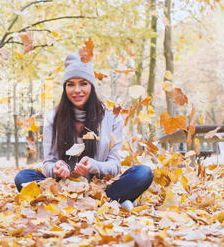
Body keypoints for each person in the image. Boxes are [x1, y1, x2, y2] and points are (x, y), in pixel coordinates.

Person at [14, 52, 154, 211]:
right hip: (64, 189)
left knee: (143, 173)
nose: (77, 90)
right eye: (70, 84)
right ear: (65, 88)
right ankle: (114, 202)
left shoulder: (111, 117)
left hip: (101, 188)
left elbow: (114, 165)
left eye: (83, 83)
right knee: (23, 178)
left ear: (92, 86)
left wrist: (94, 166)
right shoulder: (52, 118)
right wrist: (55, 168)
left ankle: (91, 202)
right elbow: (48, 162)